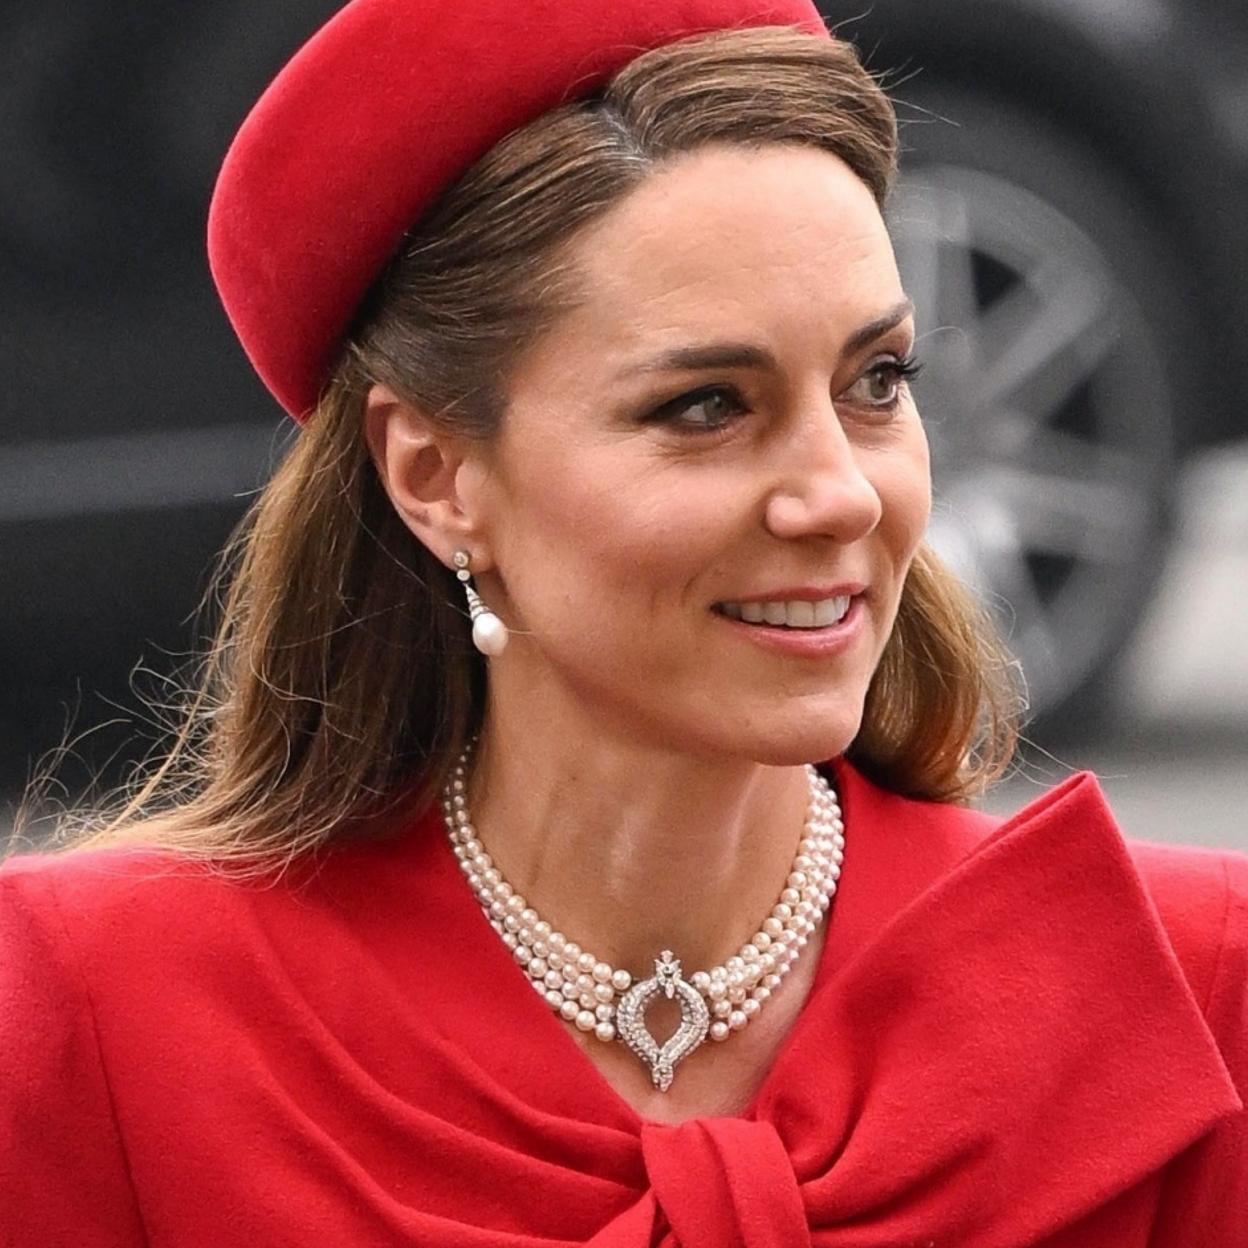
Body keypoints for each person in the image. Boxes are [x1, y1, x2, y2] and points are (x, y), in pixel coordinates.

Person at [1, 0, 1244, 1243]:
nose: (841, 493)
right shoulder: (102, 1028)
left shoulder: (1189, 999)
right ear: (434, 478)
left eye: (878, 383)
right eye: (708, 406)